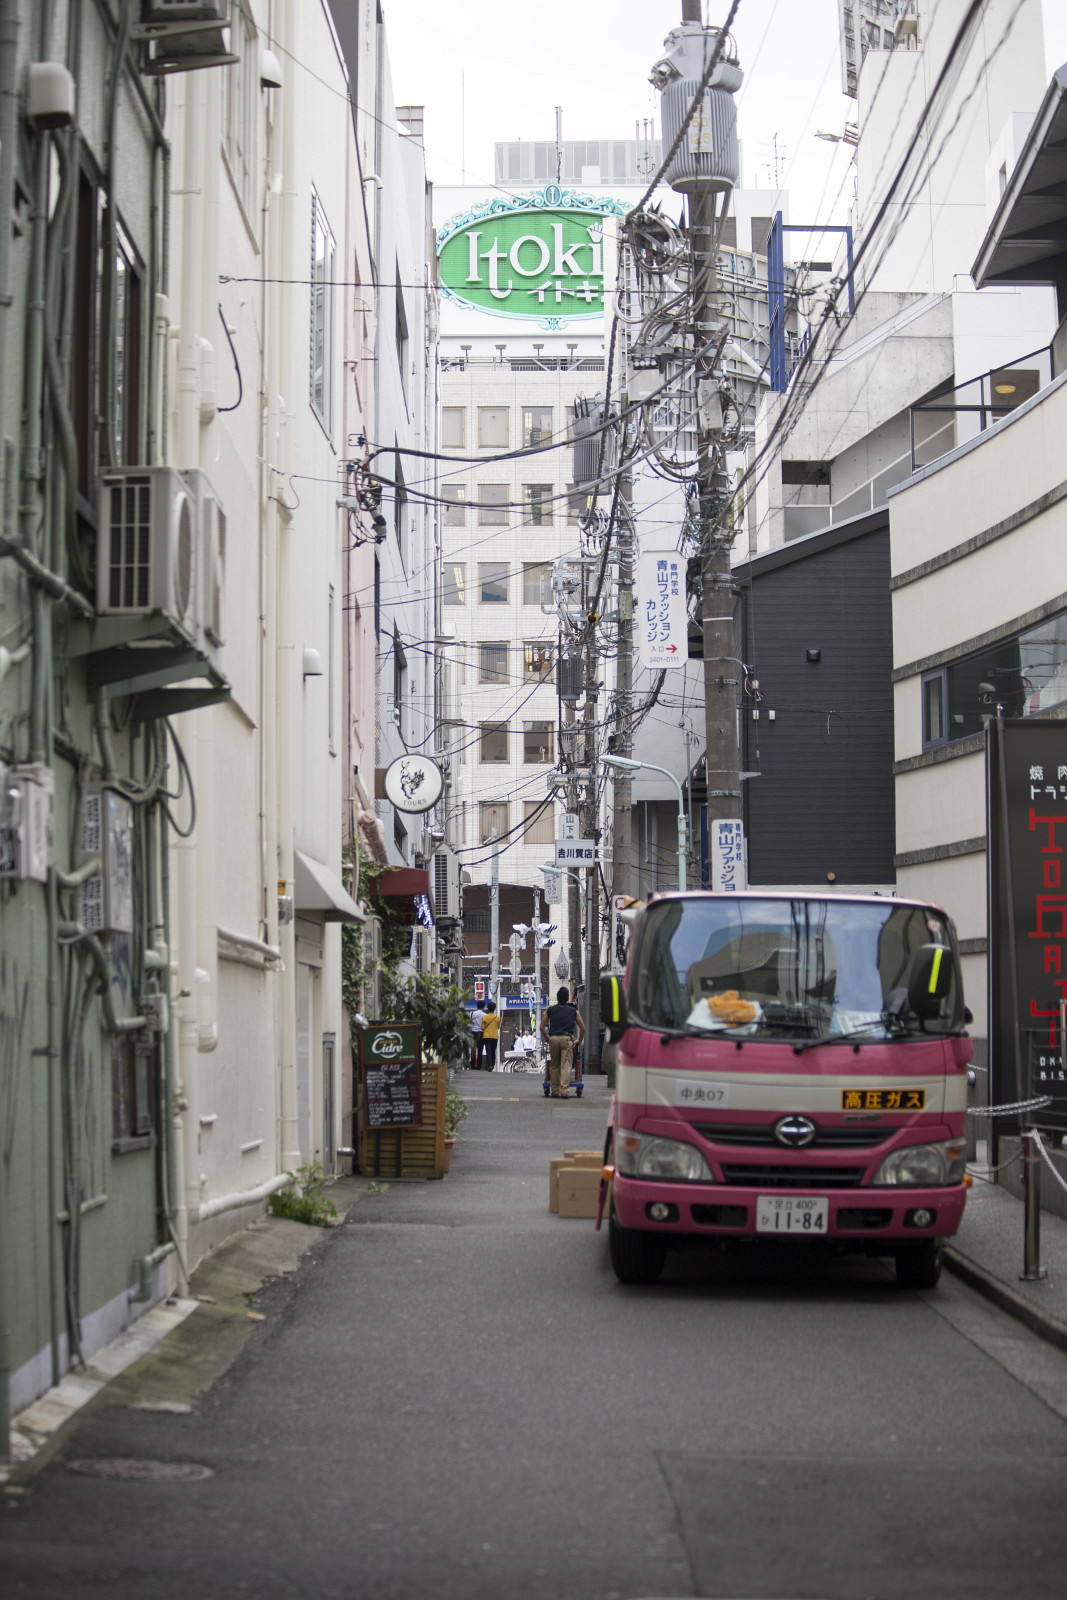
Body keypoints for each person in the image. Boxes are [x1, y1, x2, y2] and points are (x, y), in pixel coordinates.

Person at [540, 986, 585, 1099]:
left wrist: (547, 1038)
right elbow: (583, 1027)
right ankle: (564, 1091)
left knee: (554, 1065)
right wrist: (579, 1040)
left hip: (553, 1038)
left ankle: (555, 1091)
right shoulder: (573, 1011)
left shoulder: (550, 1010)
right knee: (566, 1065)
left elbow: (541, 1027)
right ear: (567, 998)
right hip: (566, 1038)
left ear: (557, 998)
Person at [481, 1000, 501, 1071]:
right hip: (494, 1036)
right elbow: (498, 1027)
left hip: (486, 1036)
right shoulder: (498, 1017)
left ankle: (489, 1065)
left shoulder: (484, 1017)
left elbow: (482, 1027)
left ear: (488, 1008)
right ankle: (493, 1064)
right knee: (493, 1051)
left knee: (488, 1051)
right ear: (494, 1008)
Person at [470, 1001, 485, 1069]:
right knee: (480, 1050)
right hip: (481, 1033)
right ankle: (479, 1065)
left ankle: (472, 1065)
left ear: (477, 1006)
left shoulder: (471, 1013)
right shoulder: (485, 1015)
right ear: (483, 1007)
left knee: (473, 1050)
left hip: (472, 1033)